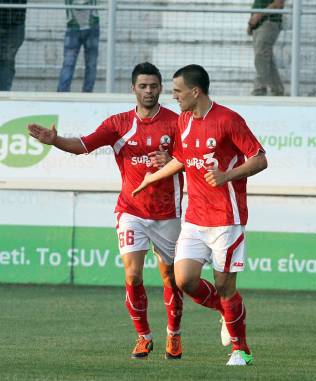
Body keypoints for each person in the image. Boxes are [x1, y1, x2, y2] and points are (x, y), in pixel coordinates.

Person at [28, 62, 187, 359]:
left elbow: (192, 158)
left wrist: (172, 159)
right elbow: (84, 145)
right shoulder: (118, 123)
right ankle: (143, 335)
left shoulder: (177, 123)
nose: (149, 91)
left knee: (171, 278)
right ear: (133, 89)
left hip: (168, 213)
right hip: (131, 211)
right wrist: (55, 141)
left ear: (161, 88)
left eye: (153, 86)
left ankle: (174, 334)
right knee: (133, 274)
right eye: (143, 86)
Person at [132, 64, 268, 366]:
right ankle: (225, 312)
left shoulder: (228, 120)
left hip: (226, 219)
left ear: (195, 91)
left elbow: (260, 159)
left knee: (225, 286)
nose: (173, 96)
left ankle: (240, 349)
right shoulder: (183, 120)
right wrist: (152, 178)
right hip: (194, 218)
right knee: (185, 280)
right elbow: (182, 158)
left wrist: (226, 176)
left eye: (178, 91)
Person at [57, 0, 99, 92]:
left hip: (85, 26)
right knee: (88, 64)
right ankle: (63, 93)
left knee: (71, 63)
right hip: (77, 26)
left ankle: (63, 93)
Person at [247, 0, 284, 96]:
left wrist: (258, 16)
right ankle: (277, 89)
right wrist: (251, 22)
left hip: (269, 22)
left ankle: (260, 89)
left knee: (261, 56)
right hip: (259, 24)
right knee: (267, 58)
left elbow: (279, 3)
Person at [0, 0, 26, 91]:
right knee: (7, 61)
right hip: (15, 21)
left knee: (7, 61)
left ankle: (4, 92)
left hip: (15, 23)